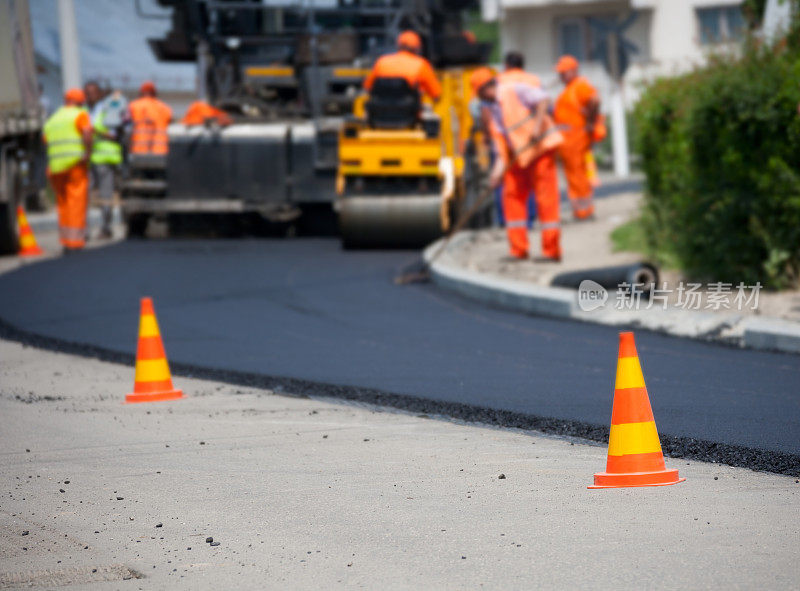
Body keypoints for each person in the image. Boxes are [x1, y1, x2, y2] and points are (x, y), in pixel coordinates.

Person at [470, 67, 563, 261]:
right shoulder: (493, 109)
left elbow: (544, 99)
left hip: (540, 150)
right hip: (518, 156)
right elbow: (500, 145)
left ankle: (551, 250)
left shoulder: (513, 90)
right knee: (510, 196)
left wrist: (537, 127)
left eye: (479, 94)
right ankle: (518, 249)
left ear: (486, 88)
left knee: (546, 199)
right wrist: (496, 174)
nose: (480, 99)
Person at [42, 88, 92, 252]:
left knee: (62, 202)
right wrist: (87, 153)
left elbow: (45, 140)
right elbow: (87, 132)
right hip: (75, 164)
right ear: (80, 102)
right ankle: (75, 242)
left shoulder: (54, 118)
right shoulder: (80, 114)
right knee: (76, 202)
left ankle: (65, 239)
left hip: (56, 166)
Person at [554, 55, 603, 220]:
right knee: (573, 176)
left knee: (578, 176)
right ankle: (579, 211)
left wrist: (590, 121)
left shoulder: (579, 86)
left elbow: (595, 100)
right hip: (568, 142)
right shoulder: (570, 89)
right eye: (560, 73)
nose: (561, 76)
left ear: (574, 71)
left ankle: (585, 211)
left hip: (576, 139)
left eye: (564, 72)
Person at [495, 52, 540, 228]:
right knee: (531, 181)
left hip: (508, 137)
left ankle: (505, 220)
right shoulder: (533, 80)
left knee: (509, 184)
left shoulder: (500, 81)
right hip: (530, 138)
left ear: (506, 65)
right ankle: (530, 218)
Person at [85, 81, 125, 239]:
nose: (89, 95)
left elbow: (114, 134)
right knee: (84, 197)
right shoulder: (83, 110)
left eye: (92, 92)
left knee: (105, 195)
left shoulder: (109, 109)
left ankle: (105, 228)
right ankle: (84, 231)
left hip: (105, 158)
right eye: (86, 92)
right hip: (87, 158)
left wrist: (95, 131)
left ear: (100, 94)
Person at [363, 31, 441, 101]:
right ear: (417, 48)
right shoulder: (421, 65)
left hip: (381, 114)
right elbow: (436, 95)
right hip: (409, 115)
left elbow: (368, 88)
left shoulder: (381, 62)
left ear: (398, 45)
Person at [127, 81, 172, 155]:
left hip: (138, 151)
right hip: (160, 151)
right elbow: (170, 121)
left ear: (141, 93)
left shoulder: (133, 106)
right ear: (154, 93)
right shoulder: (164, 108)